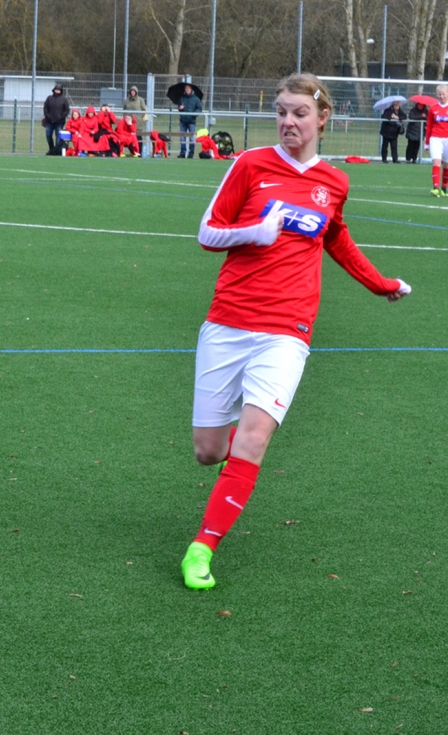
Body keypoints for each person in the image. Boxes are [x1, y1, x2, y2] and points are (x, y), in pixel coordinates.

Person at [180, 73, 411, 591]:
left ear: (322, 118)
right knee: (208, 451)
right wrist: (253, 232)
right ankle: (230, 457)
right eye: (281, 112)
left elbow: (337, 238)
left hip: (289, 328)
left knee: (254, 439)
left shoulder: (334, 182)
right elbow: (207, 231)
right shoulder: (250, 164)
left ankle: (202, 547)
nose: (288, 121)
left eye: (299, 113)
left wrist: (380, 285)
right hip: (228, 321)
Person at [424, 84, 448, 196]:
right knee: (436, 161)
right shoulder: (433, 108)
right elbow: (429, 126)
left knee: (446, 164)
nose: (442, 96)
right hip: (435, 138)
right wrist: (427, 143)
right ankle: (436, 187)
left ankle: (444, 188)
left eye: (443, 94)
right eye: (439, 94)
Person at [43, 82, 70, 155]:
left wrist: (61, 117)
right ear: (54, 90)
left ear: (61, 91)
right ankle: (51, 149)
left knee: (58, 137)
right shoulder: (49, 98)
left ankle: (56, 151)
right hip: (49, 121)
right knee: (48, 135)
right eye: (56, 89)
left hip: (59, 122)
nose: (57, 91)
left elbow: (67, 110)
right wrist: (47, 116)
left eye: (58, 90)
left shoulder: (64, 99)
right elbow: (45, 108)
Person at [178, 84, 202, 158]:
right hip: (183, 121)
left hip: (191, 121)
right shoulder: (182, 98)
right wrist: (180, 108)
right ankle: (182, 153)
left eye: (188, 88)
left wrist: (193, 114)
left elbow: (199, 109)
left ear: (191, 89)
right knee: (182, 137)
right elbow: (179, 107)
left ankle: (191, 153)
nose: (187, 89)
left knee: (192, 138)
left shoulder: (196, 99)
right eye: (186, 88)